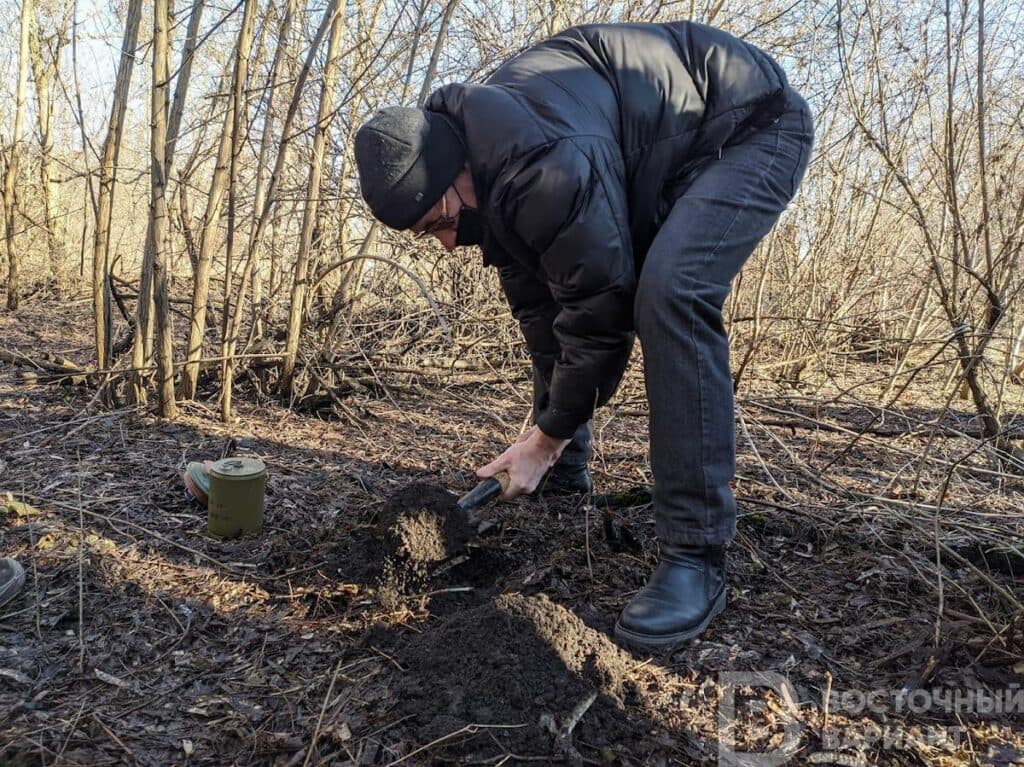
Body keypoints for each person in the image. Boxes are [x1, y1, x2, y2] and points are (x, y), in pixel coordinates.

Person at [353, 20, 813, 650]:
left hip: (750, 126)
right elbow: (548, 318)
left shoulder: (541, 163)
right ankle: (568, 475)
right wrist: (552, 449)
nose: (448, 243)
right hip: (668, 151)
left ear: (455, 172)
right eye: (428, 234)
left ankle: (695, 555)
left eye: (442, 222)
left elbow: (601, 320)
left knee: (671, 291)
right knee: (566, 302)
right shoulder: (492, 170)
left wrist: (543, 440)